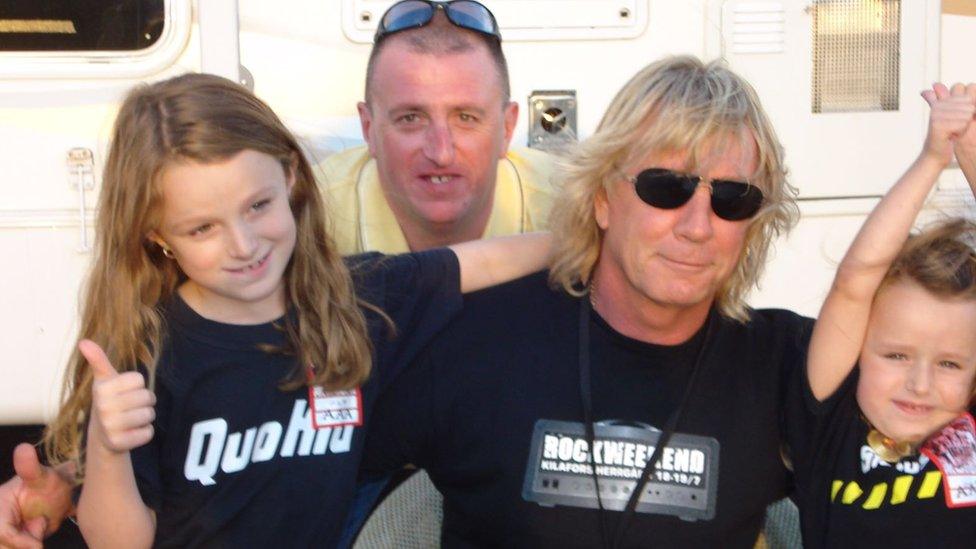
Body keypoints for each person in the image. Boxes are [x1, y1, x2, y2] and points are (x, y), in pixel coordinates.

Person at [0, 72, 550, 549]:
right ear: (156, 235)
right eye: (202, 228)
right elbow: (120, 541)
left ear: (289, 177)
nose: (243, 245)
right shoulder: (145, 350)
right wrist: (107, 445)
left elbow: (481, 262)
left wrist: (600, 237)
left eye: (257, 206)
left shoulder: (353, 300)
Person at [358, 55, 811, 547]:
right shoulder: (474, 342)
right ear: (601, 199)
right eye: (665, 188)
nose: (697, 227)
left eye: (732, 198)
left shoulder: (786, 364)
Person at [788, 83, 976, 548]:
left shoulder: (968, 424)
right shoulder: (832, 422)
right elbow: (856, 281)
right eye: (895, 355)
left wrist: (968, 152)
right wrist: (933, 159)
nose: (920, 384)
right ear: (859, 351)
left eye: (950, 363)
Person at [317, 0, 556, 254]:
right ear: (368, 128)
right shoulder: (310, 218)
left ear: (507, 129)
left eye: (466, 118)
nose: (441, 153)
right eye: (411, 119)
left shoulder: (569, 212)